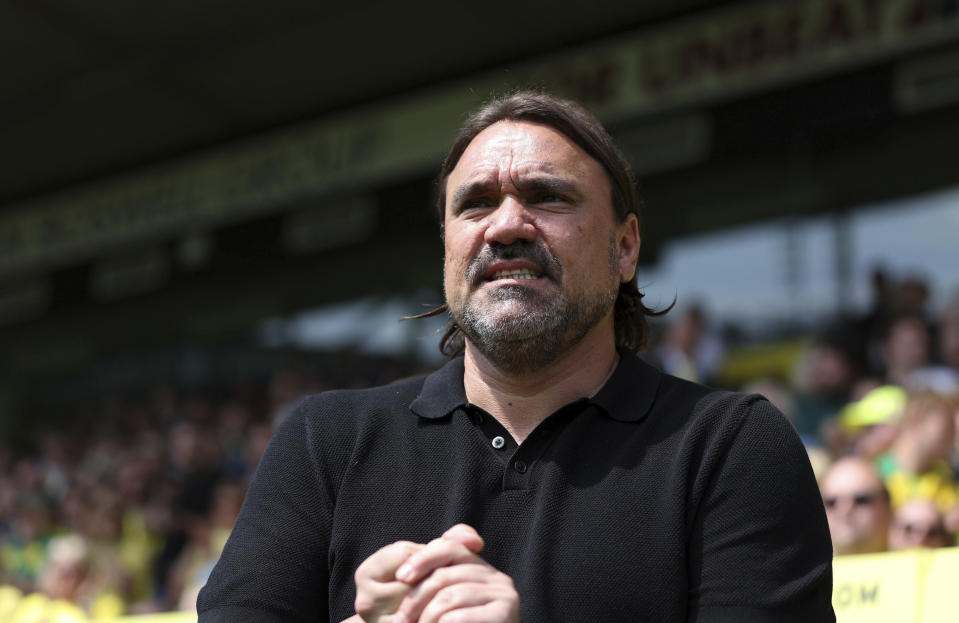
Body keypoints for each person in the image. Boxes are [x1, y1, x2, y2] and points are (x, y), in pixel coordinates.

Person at [197, 91, 834, 622]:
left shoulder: (730, 447)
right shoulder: (325, 442)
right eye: (474, 204)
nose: (506, 225)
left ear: (626, 247)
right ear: (446, 249)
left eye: (548, 197)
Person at [820, 456, 892, 556]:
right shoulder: (800, 570)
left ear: (888, 508)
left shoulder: (916, 565)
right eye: (831, 502)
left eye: (861, 500)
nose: (844, 509)